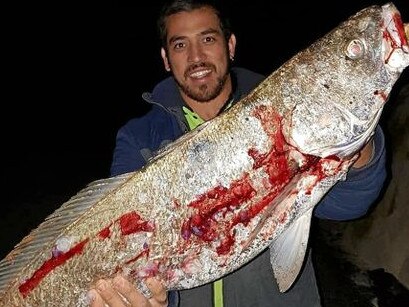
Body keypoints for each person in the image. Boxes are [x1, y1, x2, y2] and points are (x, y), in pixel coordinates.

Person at [87, 0, 387, 306]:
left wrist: (349, 144)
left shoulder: (277, 113)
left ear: (230, 46)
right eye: (180, 45)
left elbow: (349, 205)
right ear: (166, 59)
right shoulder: (139, 136)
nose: (196, 57)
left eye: (208, 39)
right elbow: (128, 249)